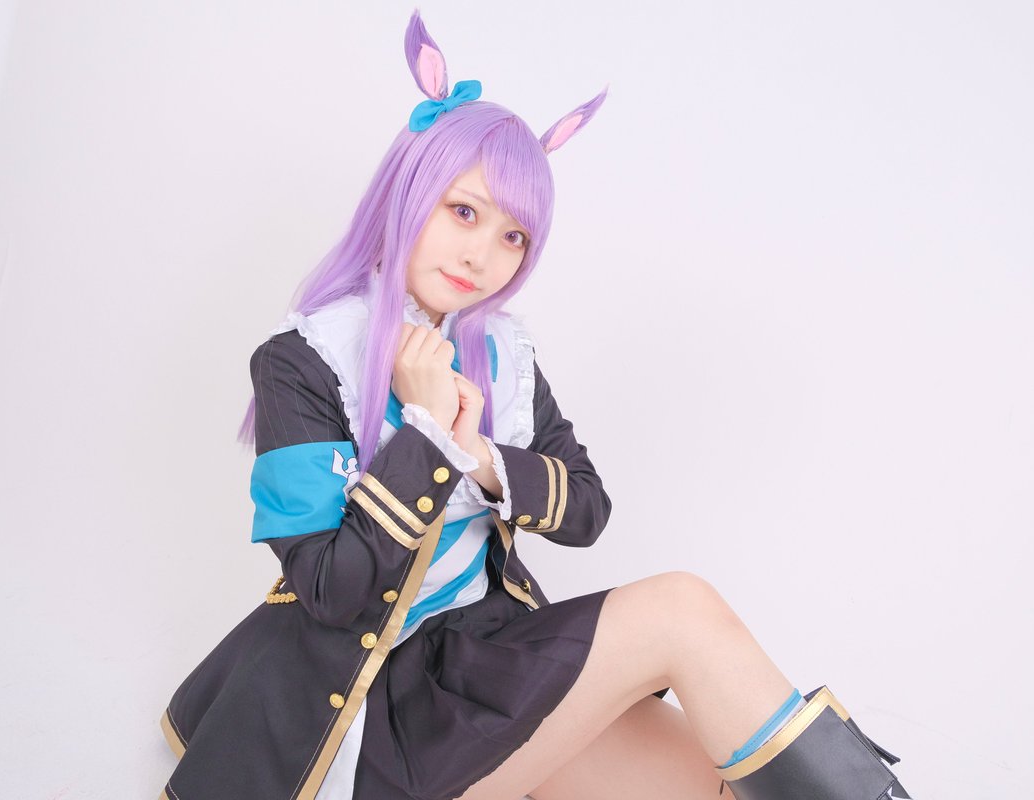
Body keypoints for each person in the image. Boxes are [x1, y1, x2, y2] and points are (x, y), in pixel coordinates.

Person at [158, 9, 914, 800]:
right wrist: (424, 435)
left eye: (513, 236)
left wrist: (482, 457)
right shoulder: (303, 361)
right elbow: (330, 593)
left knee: (736, 776)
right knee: (682, 610)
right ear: (408, 194)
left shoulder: (502, 357)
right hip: (368, 708)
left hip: (483, 664)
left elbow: (586, 509)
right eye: (464, 211)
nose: (482, 255)